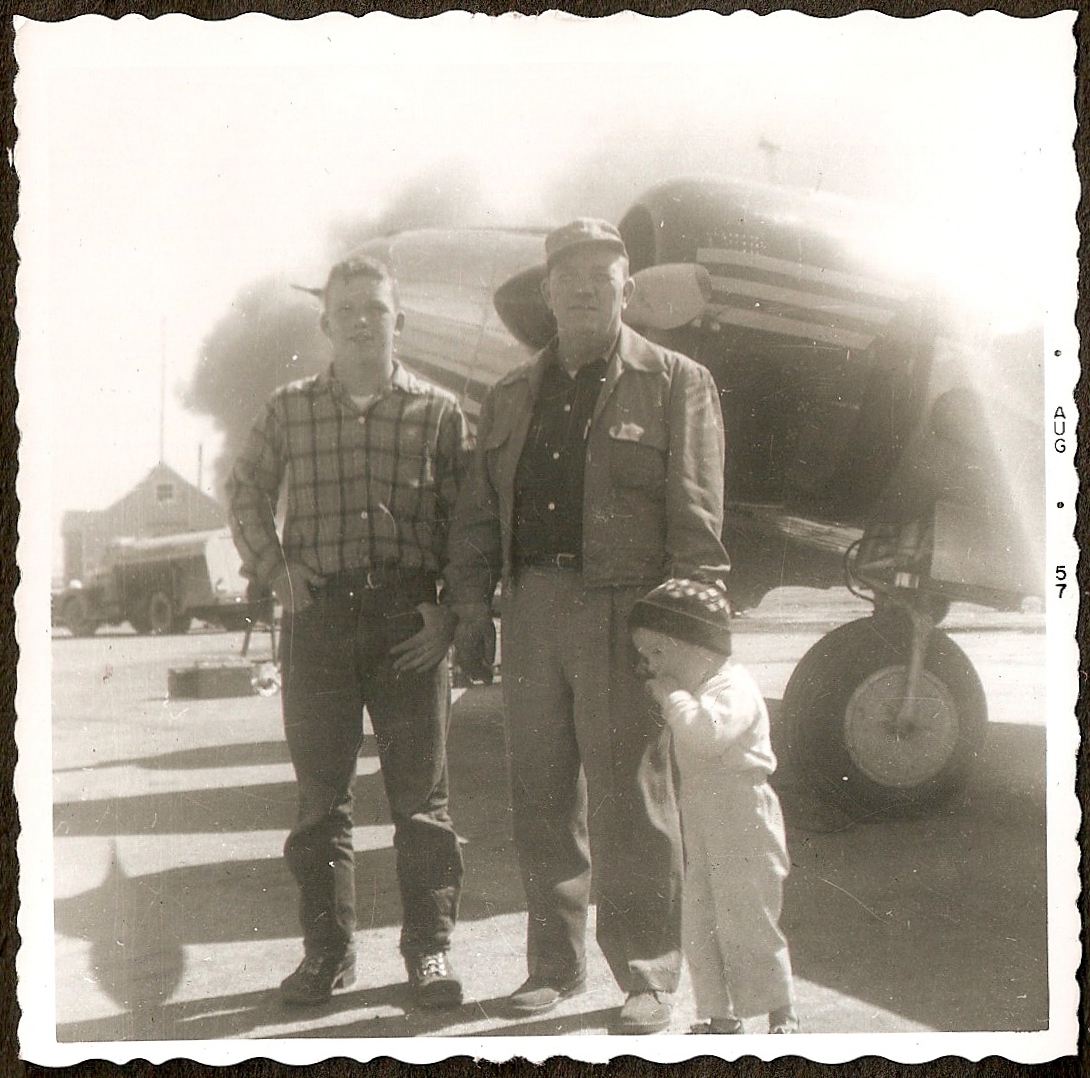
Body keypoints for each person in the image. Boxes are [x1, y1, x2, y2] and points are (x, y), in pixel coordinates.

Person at [445, 218, 730, 1034]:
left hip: (624, 609)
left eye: (600, 278)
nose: (582, 289)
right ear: (546, 292)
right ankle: (554, 966)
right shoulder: (509, 395)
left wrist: (687, 632)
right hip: (530, 605)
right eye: (568, 277)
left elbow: (698, 520)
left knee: (630, 796)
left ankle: (646, 974)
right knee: (538, 791)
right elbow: (475, 516)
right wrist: (473, 607)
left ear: (626, 291)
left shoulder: (677, 382)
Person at [227, 255, 469, 1008]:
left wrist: (449, 611)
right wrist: (274, 571)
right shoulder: (289, 408)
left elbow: (471, 522)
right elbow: (244, 491)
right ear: (327, 322)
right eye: (347, 309)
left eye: (377, 307)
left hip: (408, 624)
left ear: (400, 320)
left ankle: (429, 955)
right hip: (317, 621)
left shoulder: (439, 411)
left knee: (421, 804)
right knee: (320, 802)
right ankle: (328, 955)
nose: (363, 319)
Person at [629, 578, 798, 1035]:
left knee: (749, 916)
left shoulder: (731, 689)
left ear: (697, 646)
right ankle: (721, 1016)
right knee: (702, 917)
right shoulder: (704, 686)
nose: (651, 668)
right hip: (703, 812)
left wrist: (673, 698)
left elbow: (706, 737)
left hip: (744, 812)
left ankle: (782, 1008)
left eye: (659, 654)